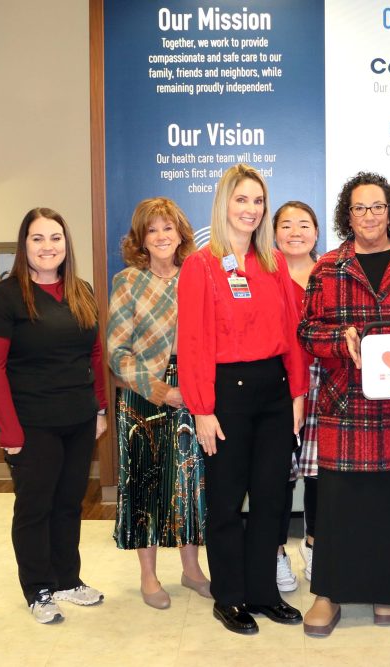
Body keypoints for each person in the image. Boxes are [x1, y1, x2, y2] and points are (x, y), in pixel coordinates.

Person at [298, 172, 390, 637]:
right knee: (341, 505)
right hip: (347, 403)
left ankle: (388, 588)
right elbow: (307, 332)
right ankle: (329, 593)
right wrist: (339, 340)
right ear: (347, 214)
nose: (369, 216)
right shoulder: (327, 268)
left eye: (377, 206)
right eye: (359, 208)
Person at [177, 164, 309, 635]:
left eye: (258, 201)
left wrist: (297, 394)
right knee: (228, 502)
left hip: (274, 391)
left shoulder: (272, 262)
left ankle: (264, 594)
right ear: (224, 204)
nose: (250, 210)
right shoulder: (201, 264)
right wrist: (202, 408)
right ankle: (230, 596)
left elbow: (294, 336)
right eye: (241, 200)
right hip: (224, 396)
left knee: (272, 500)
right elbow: (191, 341)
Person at [0, 207, 107, 624]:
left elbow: (94, 353)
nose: (48, 246)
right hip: (31, 423)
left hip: (80, 419)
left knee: (70, 502)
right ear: (24, 245)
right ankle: (38, 589)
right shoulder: (4, 296)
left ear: (66, 245)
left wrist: (101, 408)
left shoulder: (81, 291)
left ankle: (67, 579)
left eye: (55, 238)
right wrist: (8, 430)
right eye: (38, 238)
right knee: (36, 506)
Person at [106, 197, 211, 609]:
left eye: (168, 228)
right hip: (143, 396)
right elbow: (117, 351)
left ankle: (191, 569)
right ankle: (148, 576)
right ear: (141, 239)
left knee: (189, 483)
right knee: (143, 483)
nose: (162, 236)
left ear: (181, 234)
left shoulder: (196, 276)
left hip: (193, 390)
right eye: (153, 230)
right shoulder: (128, 281)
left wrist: (194, 387)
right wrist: (161, 391)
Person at [272, 201, 320, 590]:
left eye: (303, 224)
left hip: (324, 385)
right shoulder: (264, 275)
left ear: (316, 233)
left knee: (321, 474)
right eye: (286, 225)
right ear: (274, 235)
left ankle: (313, 544)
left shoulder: (331, 274)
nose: (295, 232)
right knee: (277, 475)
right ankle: (276, 552)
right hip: (277, 386)